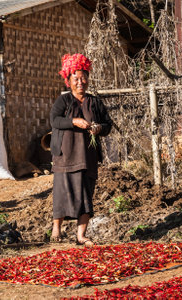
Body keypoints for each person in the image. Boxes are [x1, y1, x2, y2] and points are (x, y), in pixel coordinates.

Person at [49, 53, 112, 246]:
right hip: (65, 156)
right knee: (61, 193)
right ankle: (56, 230)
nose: (80, 82)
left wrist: (99, 128)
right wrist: (74, 121)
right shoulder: (64, 101)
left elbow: (108, 124)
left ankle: (80, 236)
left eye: (83, 77)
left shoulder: (95, 102)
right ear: (68, 81)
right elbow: (54, 121)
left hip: (87, 157)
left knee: (86, 194)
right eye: (75, 78)